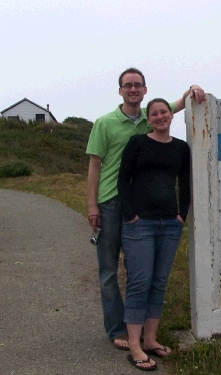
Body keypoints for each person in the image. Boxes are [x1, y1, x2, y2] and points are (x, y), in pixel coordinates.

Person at [86, 68, 204, 352]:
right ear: (120, 90)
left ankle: (136, 329)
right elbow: (94, 165)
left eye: (138, 85)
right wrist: (92, 205)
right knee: (108, 270)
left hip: (139, 206)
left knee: (138, 272)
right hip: (110, 202)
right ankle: (117, 330)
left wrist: (192, 89)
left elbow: (172, 107)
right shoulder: (105, 123)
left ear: (144, 89)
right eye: (128, 85)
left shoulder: (146, 120)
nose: (133, 89)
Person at [117, 98, 190, 370]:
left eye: (164, 112)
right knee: (140, 282)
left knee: (159, 282)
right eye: (155, 114)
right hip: (140, 224)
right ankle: (135, 345)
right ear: (149, 119)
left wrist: (182, 215)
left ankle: (150, 340)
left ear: (171, 115)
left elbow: (185, 183)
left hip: (170, 224)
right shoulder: (138, 143)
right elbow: (123, 180)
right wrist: (130, 216)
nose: (160, 116)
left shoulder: (181, 148)